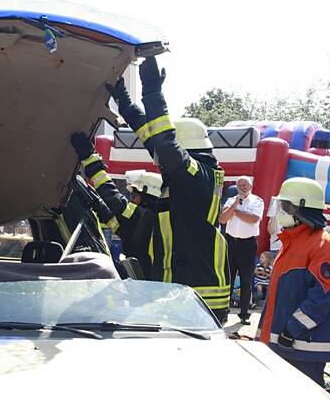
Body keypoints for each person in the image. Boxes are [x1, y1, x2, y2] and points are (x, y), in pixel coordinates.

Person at [106, 56, 230, 322]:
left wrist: (152, 93)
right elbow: (154, 140)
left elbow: (163, 144)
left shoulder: (198, 175)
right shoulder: (184, 175)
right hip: (181, 292)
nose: (158, 162)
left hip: (199, 298)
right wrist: (124, 102)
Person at [256, 177, 330, 387]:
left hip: (304, 347)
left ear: (302, 210)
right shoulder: (291, 241)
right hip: (286, 344)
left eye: (285, 206)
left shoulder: (323, 245)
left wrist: (292, 329)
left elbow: (321, 299)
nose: (281, 212)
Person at [71, 132, 164, 279]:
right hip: (146, 286)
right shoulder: (152, 224)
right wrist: (98, 204)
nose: (131, 200)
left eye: (135, 195)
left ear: (148, 196)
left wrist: (90, 158)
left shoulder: (144, 218)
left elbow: (113, 198)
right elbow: (117, 224)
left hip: (144, 287)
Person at [219, 176, 264, 324]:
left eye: (245, 185)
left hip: (248, 244)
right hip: (231, 242)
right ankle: (224, 311)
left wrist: (235, 211)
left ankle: (244, 313)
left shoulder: (257, 201)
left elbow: (253, 219)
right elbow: (223, 219)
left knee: (246, 279)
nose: (242, 187)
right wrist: (235, 206)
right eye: (239, 185)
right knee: (228, 278)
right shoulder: (231, 200)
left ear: (250, 186)